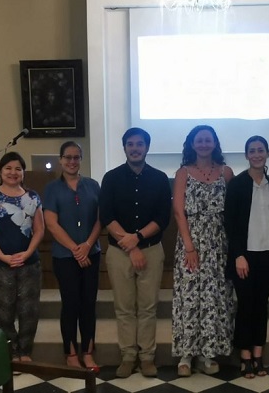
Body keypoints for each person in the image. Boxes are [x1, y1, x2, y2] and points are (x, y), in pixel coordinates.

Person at [99, 127, 172, 378]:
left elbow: (163, 217)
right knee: (124, 307)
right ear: (125, 148)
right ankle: (128, 356)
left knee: (149, 307)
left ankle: (147, 357)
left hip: (151, 250)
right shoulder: (111, 178)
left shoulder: (161, 178)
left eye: (139, 144)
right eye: (130, 144)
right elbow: (106, 215)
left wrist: (138, 239)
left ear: (147, 147)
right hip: (119, 253)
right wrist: (129, 245)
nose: (135, 148)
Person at [171, 125, 235, 377]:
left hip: (219, 243)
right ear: (192, 144)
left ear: (215, 143)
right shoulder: (183, 172)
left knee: (216, 298)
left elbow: (232, 209)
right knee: (189, 297)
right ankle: (186, 354)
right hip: (191, 241)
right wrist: (189, 246)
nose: (204, 143)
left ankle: (209, 354)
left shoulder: (226, 172)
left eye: (208, 140)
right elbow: (178, 210)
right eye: (200, 140)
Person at [0, 152, 44, 362]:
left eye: (18, 168)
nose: (13, 173)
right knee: (4, 310)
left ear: (23, 172)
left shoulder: (33, 197)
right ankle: (10, 351)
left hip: (29, 263)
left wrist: (27, 253)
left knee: (29, 309)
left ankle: (25, 351)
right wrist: (4, 257)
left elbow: (40, 230)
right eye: (8, 168)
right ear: (0, 171)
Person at [43, 141, 102, 373]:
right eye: (68, 157)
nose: (72, 161)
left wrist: (87, 246)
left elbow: (100, 219)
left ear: (81, 159)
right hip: (64, 256)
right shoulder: (52, 188)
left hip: (92, 254)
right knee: (70, 304)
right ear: (60, 160)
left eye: (76, 157)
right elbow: (51, 223)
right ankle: (70, 353)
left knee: (88, 304)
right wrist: (76, 250)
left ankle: (88, 352)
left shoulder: (93, 185)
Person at [223, 136, 269, 379]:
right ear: (246, 155)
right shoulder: (236, 184)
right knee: (246, 306)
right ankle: (245, 355)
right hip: (245, 256)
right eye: (252, 151)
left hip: (268, 254)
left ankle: (258, 353)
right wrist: (238, 255)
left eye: (260, 150)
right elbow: (231, 224)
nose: (256, 154)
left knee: (261, 306)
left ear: (267, 153)